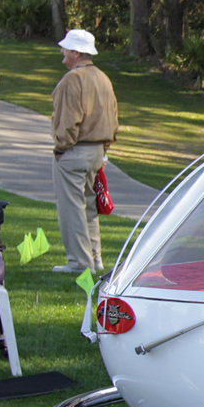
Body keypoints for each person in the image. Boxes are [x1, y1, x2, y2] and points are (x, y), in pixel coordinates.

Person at [49, 28, 119, 274]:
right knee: (89, 207)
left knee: (71, 208)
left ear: (76, 53)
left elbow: (68, 122)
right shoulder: (103, 78)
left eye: (66, 49)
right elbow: (113, 118)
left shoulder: (72, 80)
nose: (62, 52)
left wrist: (60, 147)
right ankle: (95, 258)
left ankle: (79, 262)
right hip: (97, 151)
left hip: (75, 151)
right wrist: (104, 150)